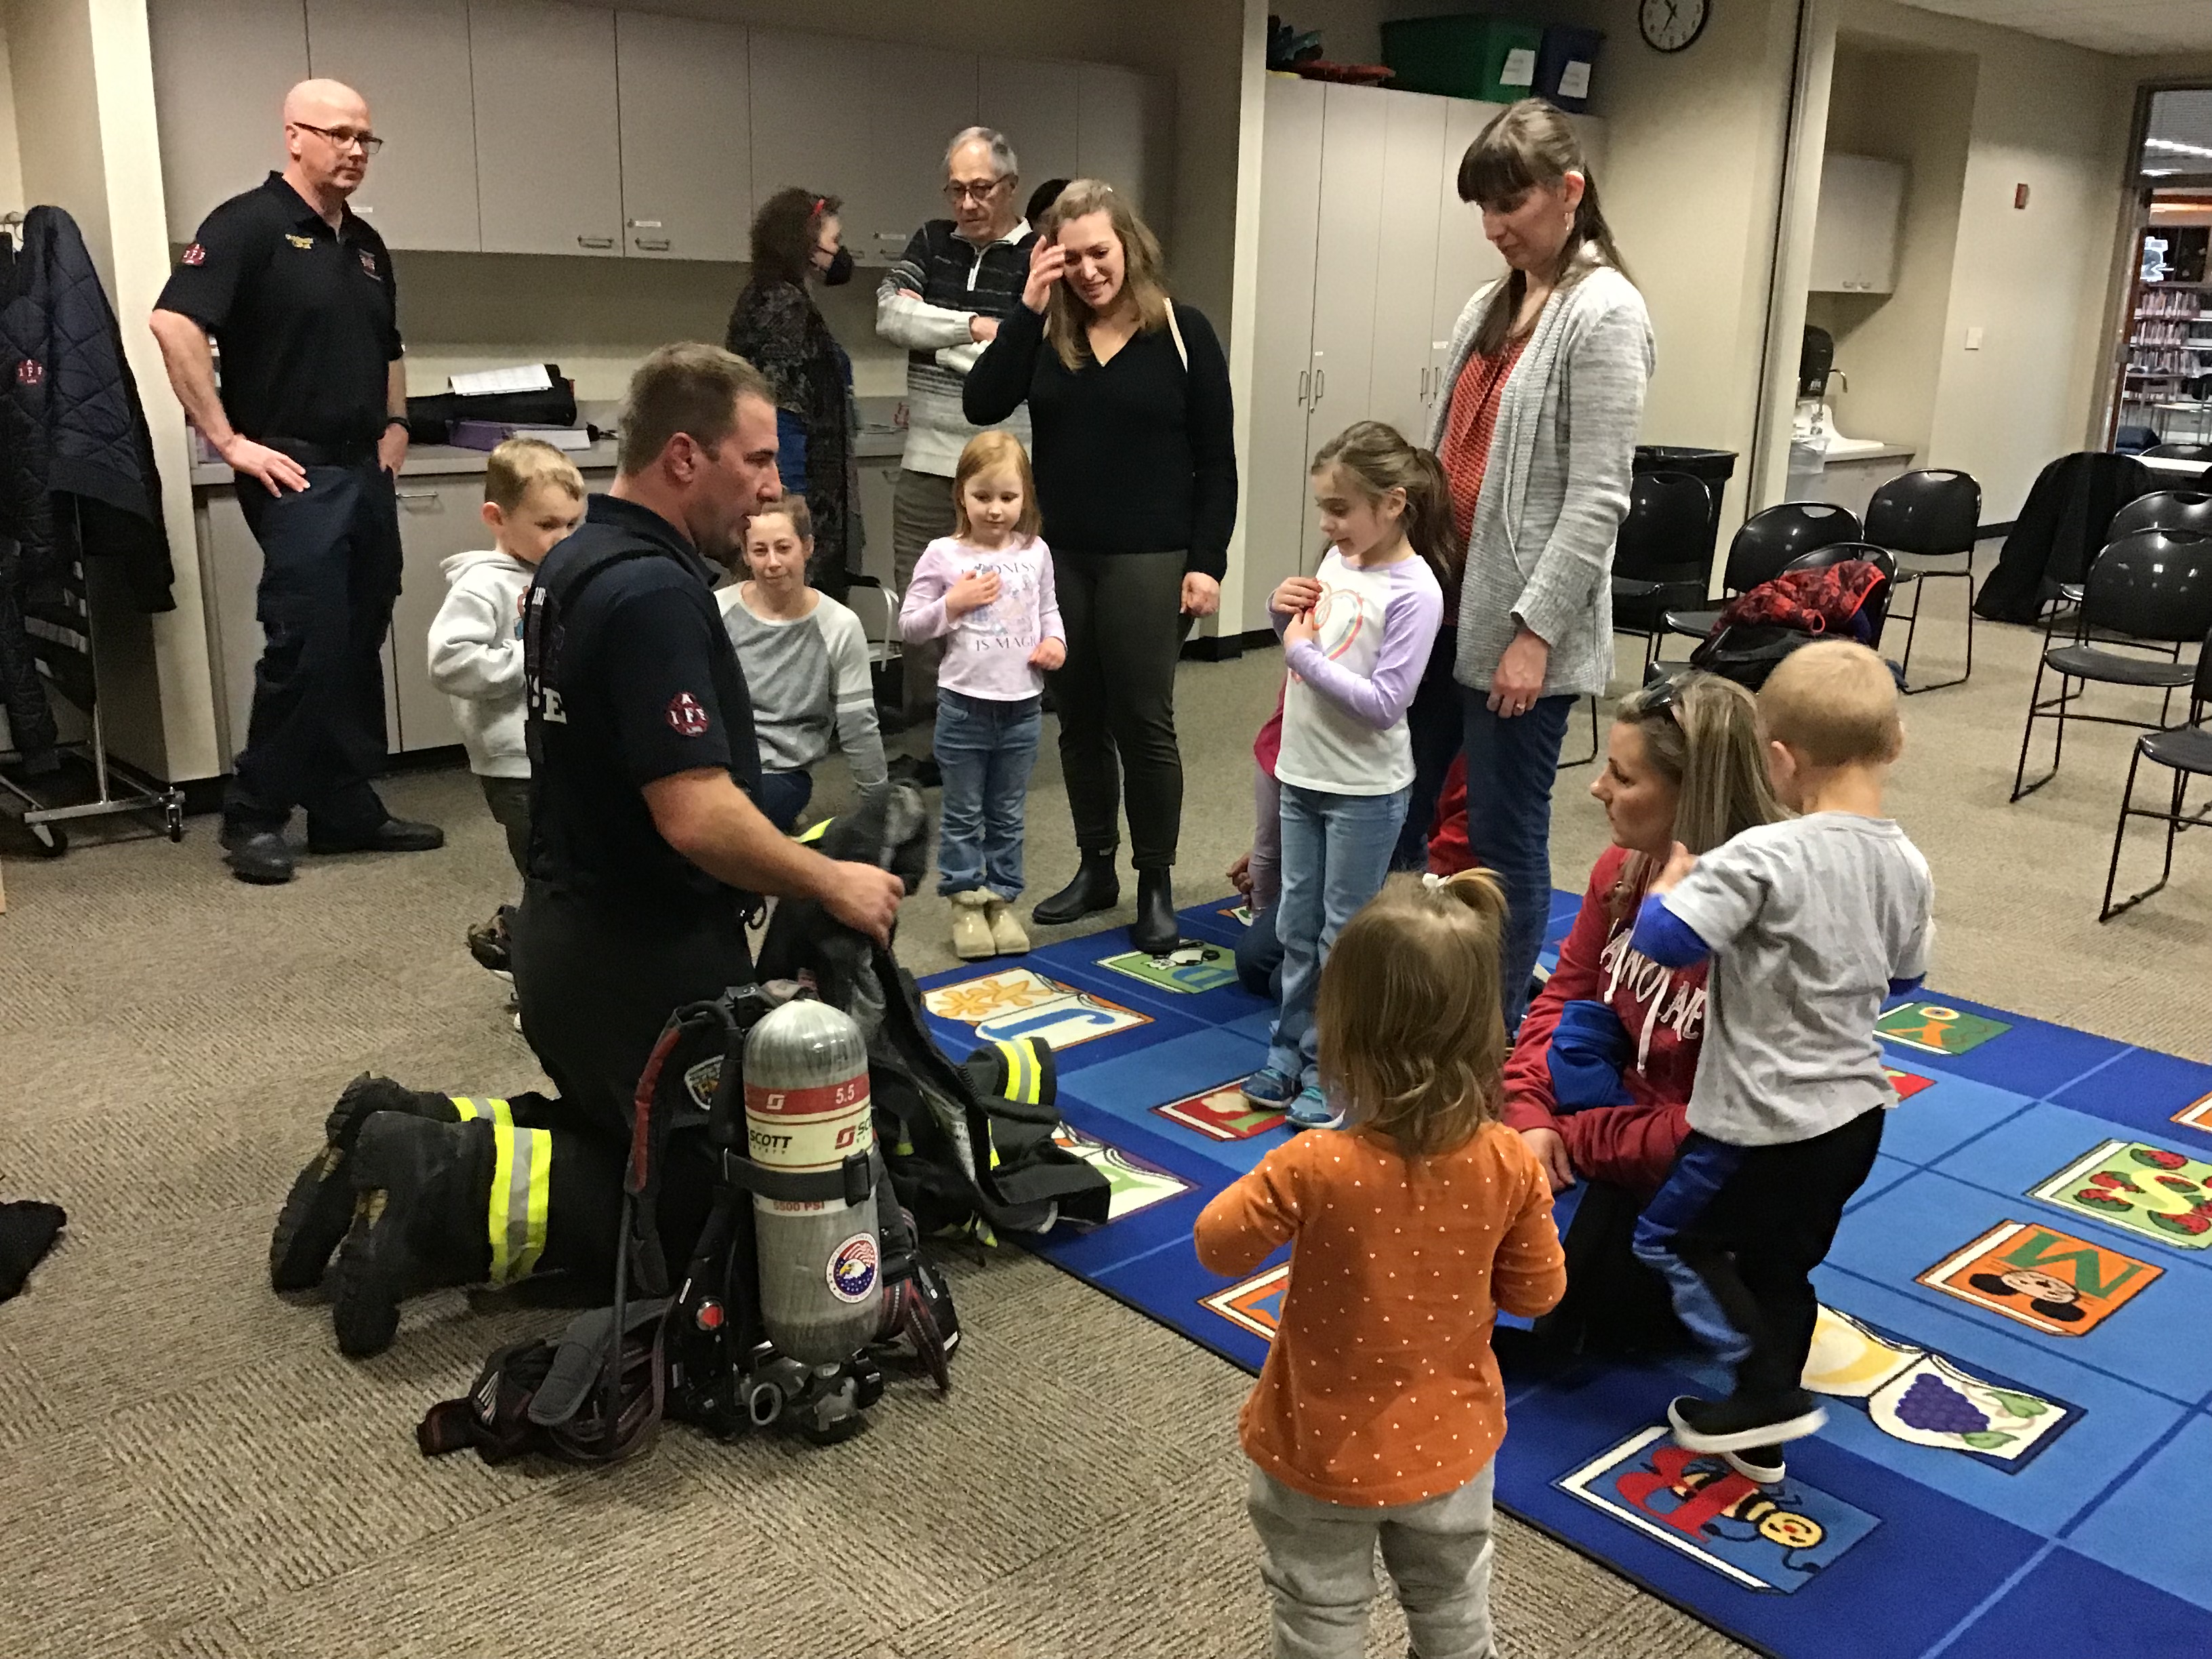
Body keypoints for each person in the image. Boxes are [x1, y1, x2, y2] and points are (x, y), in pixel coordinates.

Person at [293, 344, 906, 1357]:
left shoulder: (575, 558)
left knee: (632, 1131)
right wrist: (828, 875)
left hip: (567, 938)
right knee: (712, 1221)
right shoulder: (657, 596)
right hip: (640, 962)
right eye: (754, 461)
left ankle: (411, 1122)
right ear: (682, 456)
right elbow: (695, 815)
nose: (771, 489)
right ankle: (431, 1179)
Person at [1194, 871, 1566, 1659]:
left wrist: (1273, 1184)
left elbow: (1215, 1246)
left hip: (1317, 1448)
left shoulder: (1314, 1164)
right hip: (1452, 1448)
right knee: (1454, 1611)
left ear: (1343, 1031)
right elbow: (1540, 1289)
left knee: (1318, 1617)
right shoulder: (1509, 1164)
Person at [1630, 641, 1933, 1477]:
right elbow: (1907, 978)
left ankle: (1766, 1389)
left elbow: (1662, 941)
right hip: (1856, 1119)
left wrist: (1674, 879)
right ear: (1895, 742)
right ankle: (1761, 1436)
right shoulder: (1908, 863)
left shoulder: (1763, 856)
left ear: (1778, 759)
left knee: (1671, 1239)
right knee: (1781, 1268)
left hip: (1757, 1122)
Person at [150, 79, 441, 886]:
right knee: (306, 637)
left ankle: (344, 806)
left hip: (364, 465)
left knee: (357, 636)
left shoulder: (369, 246)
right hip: (294, 464)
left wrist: (398, 426)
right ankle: (254, 813)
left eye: (365, 140)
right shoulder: (248, 224)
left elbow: (389, 350)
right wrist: (229, 441)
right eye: (338, 135)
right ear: (294, 136)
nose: (353, 152)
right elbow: (174, 321)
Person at [965, 179, 1237, 952]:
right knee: (1078, 719)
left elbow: (1217, 463)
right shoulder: (1049, 334)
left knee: (1143, 720)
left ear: (1131, 248)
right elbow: (984, 403)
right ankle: (1097, 868)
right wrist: (1025, 308)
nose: (1088, 272)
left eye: (1100, 254)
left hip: (1152, 557)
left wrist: (1207, 561)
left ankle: (1155, 880)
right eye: (1071, 258)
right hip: (1062, 557)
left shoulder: (1183, 333)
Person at [1433, 98, 1654, 1030]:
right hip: (1438, 602)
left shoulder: (1604, 312)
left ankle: (1493, 1028)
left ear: (1571, 192)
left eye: (1511, 206)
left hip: (1520, 630)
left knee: (1501, 836)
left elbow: (1599, 496)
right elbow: (1445, 445)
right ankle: (1422, 992)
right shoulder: (1493, 302)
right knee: (1404, 813)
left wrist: (1535, 633)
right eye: (1483, 210)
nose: (1496, 229)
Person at [1498, 673, 1784, 1365]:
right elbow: (1563, 998)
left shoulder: (1767, 931)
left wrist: (1576, 1135)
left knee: (1572, 1303)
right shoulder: (1623, 871)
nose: (1598, 790)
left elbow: (1723, 1131)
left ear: (1693, 796)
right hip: (1614, 1120)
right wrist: (1530, 1115)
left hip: (1703, 1172)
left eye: (1623, 778)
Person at [1242, 424, 1446, 1126]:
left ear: (1393, 504)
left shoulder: (1416, 591)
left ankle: (1340, 1068)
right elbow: (1314, 646)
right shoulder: (1336, 559)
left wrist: (1298, 655)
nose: (1328, 524)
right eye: (1324, 509)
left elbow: (1386, 702)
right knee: (1297, 925)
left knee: (1344, 938)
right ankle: (1289, 1050)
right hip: (1303, 774)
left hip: (1364, 789)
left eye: (1339, 509)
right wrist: (1280, 618)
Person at [878, 128, 1039, 741]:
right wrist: (973, 328)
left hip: (1003, 474)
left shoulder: (1036, 256)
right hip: (925, 464)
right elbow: (891, 315)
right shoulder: (932, 241)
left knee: (1000, 611)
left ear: (1010, 187)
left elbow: (1028, 356)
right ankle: (926, 746)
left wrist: (941, 341)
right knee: (923, 610)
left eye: (981, 189)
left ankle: (993, 740)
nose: (967, 204)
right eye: (957, 190)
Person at [899, 431, 1065, 960]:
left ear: (1026, 498)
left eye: (1008, 498)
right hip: (965, 705)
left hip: (1022, 707)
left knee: (1008, 811)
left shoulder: (1035, 552)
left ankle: (1001, 899)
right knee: (965, 811)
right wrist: (954, 602)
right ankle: (966, 901)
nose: (995, 510)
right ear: (961, 497)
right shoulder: (943, 554)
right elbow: (910, 626)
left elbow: (1048, 611)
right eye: (983, 497)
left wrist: (1055, 643)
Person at [426, 436, 586, 984]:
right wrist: (533, 656)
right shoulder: (482, 585)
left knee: (568, 871)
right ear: (497, 518)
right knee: (547, 876)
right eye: (548, 526)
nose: (563, 539)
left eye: (572, 525)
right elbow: (449, 662)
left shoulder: (559, 572)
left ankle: (525, 941)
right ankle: (531, 975)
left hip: (563, 753)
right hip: (513, 763)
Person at [716, 495, 886, 834]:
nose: (773, 563)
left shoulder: (840, 625)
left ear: (806, 547)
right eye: (760, 551)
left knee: (730, 829)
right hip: (719, 762)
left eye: (784, 548)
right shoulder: (717, 609)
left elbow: (858, 727)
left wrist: (879, 806)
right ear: (746, 556)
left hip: (782, 771)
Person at [724, 188, 859, 598]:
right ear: (806, 244)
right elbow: (783, 416)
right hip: (798, 495)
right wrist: (788, 510)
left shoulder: (767, 296)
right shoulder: (785, 308)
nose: (839, 253)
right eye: (834, 242)